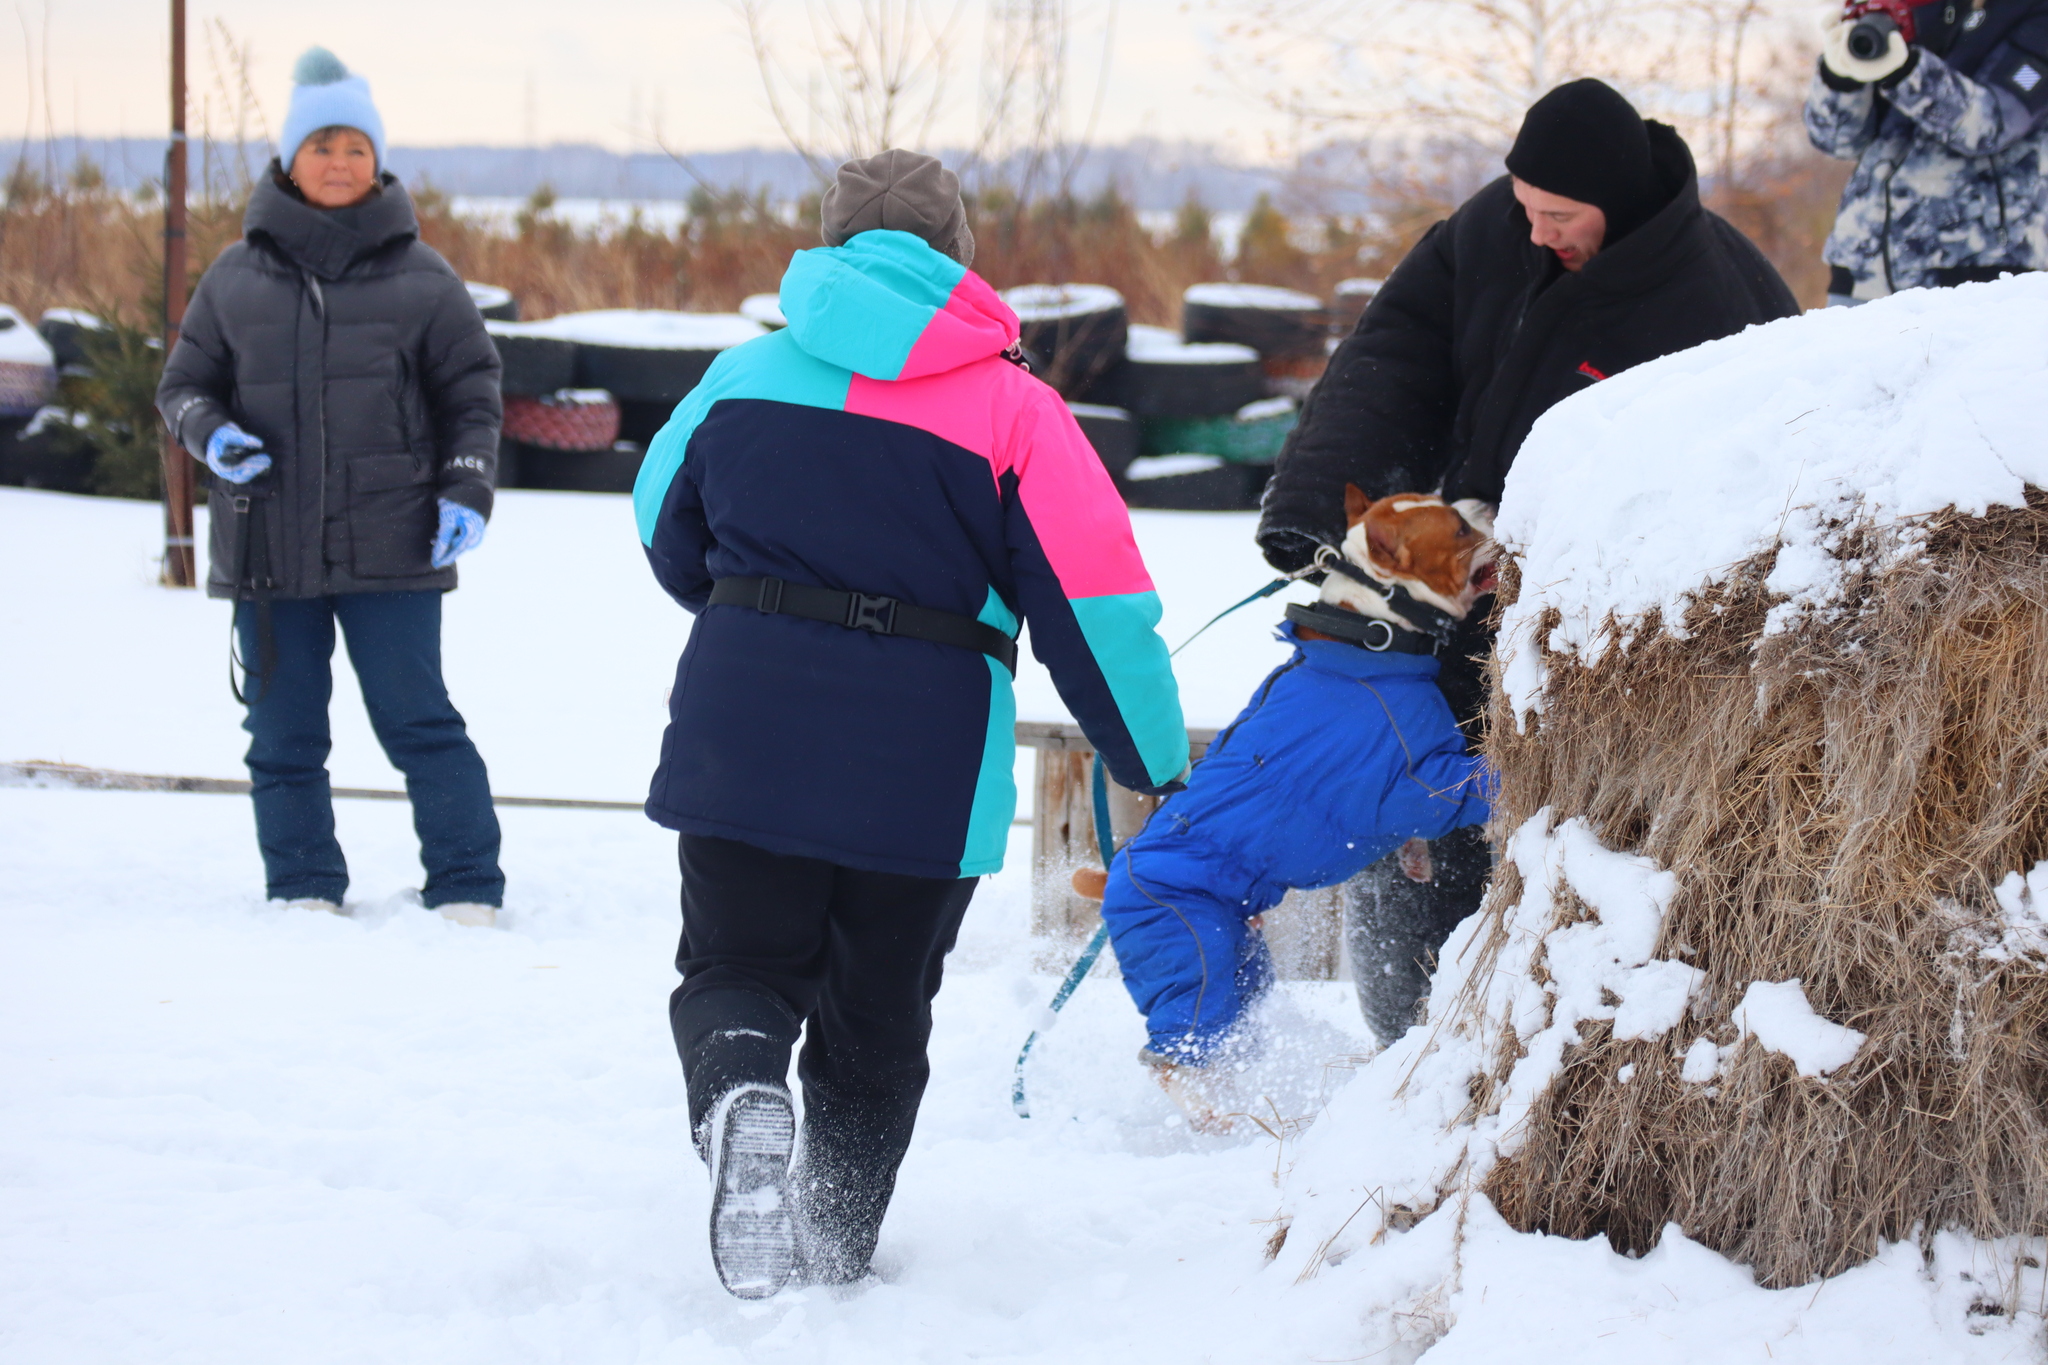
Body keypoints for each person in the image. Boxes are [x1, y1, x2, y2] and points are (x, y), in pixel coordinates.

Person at [632, 149, 1188, 1298]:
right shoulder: (1017, 410)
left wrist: (760, 617)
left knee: (736, 961)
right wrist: (1150, 760)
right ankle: (832, 1243)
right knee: (878, 1010)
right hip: (923, 757)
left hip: (744, 726)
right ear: (958, 253)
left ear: (829, 241)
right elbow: (1101, 609)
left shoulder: (738, 375)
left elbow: (663, 529)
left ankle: (741, 1096)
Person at [1256, 78, 1798, 1046]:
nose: (1536, 233)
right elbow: (1396, 350)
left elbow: (1738, 497)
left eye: (1558, 217)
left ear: (1615, 206)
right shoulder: (1495, 232)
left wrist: (1550, 571)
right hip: (1440, 612)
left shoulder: (1713, 299)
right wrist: (1318, 510)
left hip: (1585, 667)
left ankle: (1503, 1080)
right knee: (1406, 831)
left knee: (1524, 868)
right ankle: (1398, 1069)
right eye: (1524, 208)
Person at [156, 48, 505, 926]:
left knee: (420, 722)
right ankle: (304, 886)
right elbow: (183, 385)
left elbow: (473, 395)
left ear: (377, 159)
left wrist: (466, 491)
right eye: (323, 146)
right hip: (270, 548)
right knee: (281, 737)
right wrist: (212, 434)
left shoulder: (424, 278)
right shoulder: (235, 277)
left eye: (355, 146)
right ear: (289, 160)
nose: (340, 162)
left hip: (395, 542)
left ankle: (466, 886)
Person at [1806, 0, 2048, 305]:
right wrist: (1839, 73)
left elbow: (1989, 125)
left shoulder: (2038, 16)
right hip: (1862, 274)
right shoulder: (1914, 10)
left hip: (1976, 279)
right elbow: (1835, 139)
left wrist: (1906, 71)